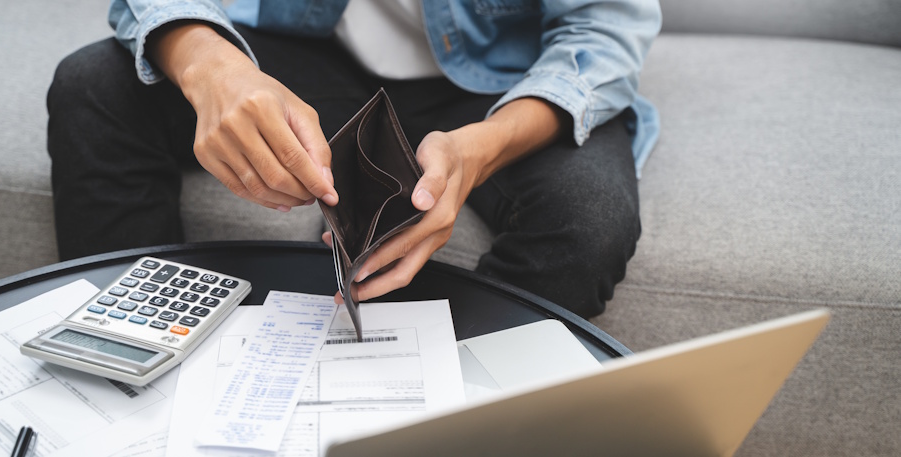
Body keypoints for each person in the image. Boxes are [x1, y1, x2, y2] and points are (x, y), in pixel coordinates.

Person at [47, 0, 661, 318]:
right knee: (95, 86)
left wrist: (481, 149)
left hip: (508, 85)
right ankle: (129, 360)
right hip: (315, 53)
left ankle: (446, 415)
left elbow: (604, 32)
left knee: (588, 222)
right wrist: (209, 66)